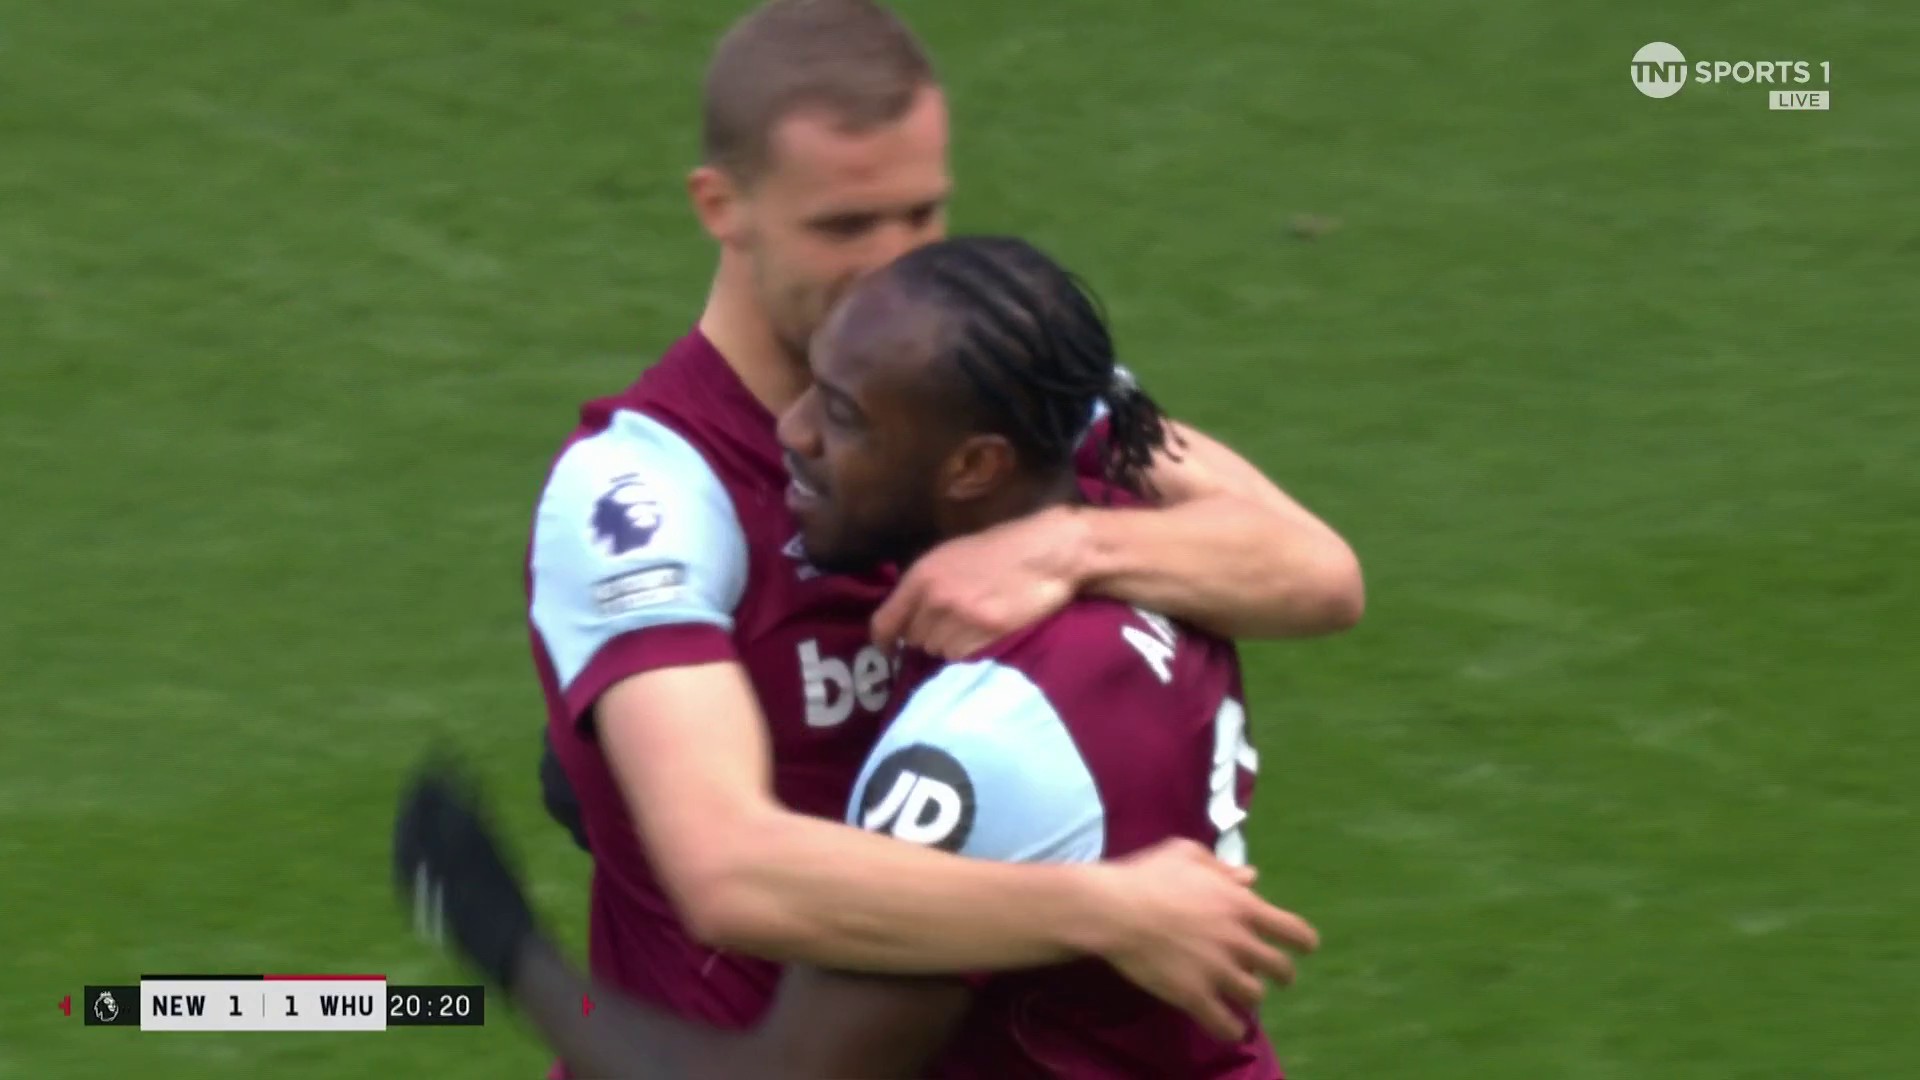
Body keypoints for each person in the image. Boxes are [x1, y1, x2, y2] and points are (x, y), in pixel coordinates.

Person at [526, 0, 1363, 1051]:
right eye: (843, 226)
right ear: (723, 206)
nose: (892, 265)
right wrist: (1111, 907)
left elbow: (1315, 569)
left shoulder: (987, 385)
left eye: (920, 216)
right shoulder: (645, 493)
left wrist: (1072, 544)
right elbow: (728, 869)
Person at [403, 235, 1311, 1077]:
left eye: (842, 416)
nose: (792, 432)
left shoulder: (985, 744)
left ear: (972, 467)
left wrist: (505, 940)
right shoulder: (1143, 550)